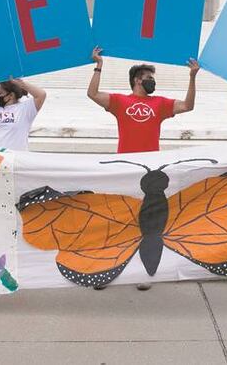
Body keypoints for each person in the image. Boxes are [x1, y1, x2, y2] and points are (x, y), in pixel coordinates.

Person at [86, 46, 199, 290]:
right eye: (149, 78)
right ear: (137, 80)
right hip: (124, 169)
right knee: (119, 221)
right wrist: (98, 65)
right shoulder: (119, 101)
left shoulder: (159, 104)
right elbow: (92, 94)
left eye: (153, 79)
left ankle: (141, 273)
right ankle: (107, 270)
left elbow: (188, 106)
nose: (152, 82)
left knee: (145, 223)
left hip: (149, 174)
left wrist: (192, 77)